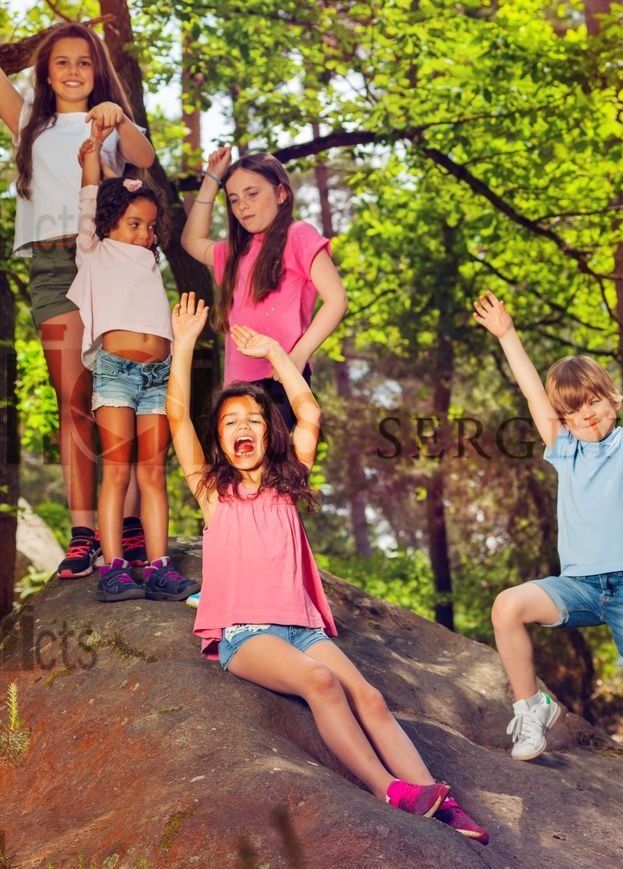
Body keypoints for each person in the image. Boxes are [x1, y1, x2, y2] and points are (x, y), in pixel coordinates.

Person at [167, 293, 486, 843]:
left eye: (253, 420)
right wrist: (184, 343)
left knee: (370, 697)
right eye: (229, 423)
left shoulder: (288, 488)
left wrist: (274, 353)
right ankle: (388, 789)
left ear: (269, 432)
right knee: (321, 683)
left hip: (302, 629)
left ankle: (440, 802)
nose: (242, 428)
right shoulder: (213, 494)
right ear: (219, 439)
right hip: (248, 634)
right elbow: (174, 415)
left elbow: (309, 411)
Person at [473, 285, 623, 827]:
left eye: (592, 404)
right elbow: (534, 394)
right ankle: (531, 707)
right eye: (572, 411)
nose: (584, 417)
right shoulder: (564, 450)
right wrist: (508, 334)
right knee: (507, 606)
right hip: (581, 585)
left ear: (611, 401)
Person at [0, 3, 156, 576]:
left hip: (111, 266)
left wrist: (120, 120)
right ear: (47, 72)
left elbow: (145, 159)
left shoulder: (109, 123)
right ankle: (84, 533)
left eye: (84, 62)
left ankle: (129, 524)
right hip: (54, 269)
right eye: (62, 62)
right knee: (73, 402)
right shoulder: (29, 118)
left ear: (97, 70)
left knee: (122, 398)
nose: (74, 71)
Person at [67, 138, 197, 603]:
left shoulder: (149, 259)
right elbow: (87, 203)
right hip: (116, 374)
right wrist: (89, 162)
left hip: (158, 377)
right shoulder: (94, 250)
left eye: (150, 225)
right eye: (134, 224)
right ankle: (114, 566)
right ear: (109, 224)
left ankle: (160, 567)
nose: (145, 233)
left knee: (152, 474)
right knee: (117, 473)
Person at [180, 148, 347, 428]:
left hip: (281, 379)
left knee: (274, 469)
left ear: (281, 193)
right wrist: (212, 177)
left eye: (252, 194)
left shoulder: (298, 235)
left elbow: (337, 300)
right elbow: (191, 241)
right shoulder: (234, 254)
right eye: (234, 200)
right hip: (236, 388)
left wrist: (297, 356)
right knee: (241, 470)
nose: (242, 205)